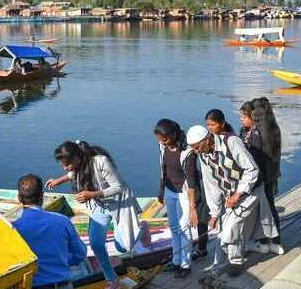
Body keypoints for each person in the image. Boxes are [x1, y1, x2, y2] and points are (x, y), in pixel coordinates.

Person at [46, 141, 143, 289]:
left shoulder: (100, 161)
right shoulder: (79, 164)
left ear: (77, 158)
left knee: (123, 247)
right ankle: (112, 280)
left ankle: (142, 229)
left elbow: (118, 187)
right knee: (96, 244)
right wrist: (58, 180)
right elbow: (73, 172)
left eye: (67, 164)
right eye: (63, 165)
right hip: (100, 206)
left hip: (118, 204)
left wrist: (91, 194)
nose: (65, 168)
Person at [186, 125, 278, 278]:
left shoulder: (231, 142)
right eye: (193, 148)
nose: (196, 151)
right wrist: (214, 214)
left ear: (207, 139)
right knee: (225, 229)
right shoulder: (203, 156)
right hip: (230, 196)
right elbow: (211, 185)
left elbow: (252, 170)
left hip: (250, 191)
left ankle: (234, 261)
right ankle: (230, 261)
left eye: (197, 147)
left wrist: (238, 194)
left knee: (232, 226)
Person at [13, 174, 87, 289]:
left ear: (19, 198)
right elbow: (80, 254)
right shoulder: (62, 221)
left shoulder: (14, 229)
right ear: (42, 196)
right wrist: (61, 261)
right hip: (63, 284)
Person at [153, 119, 207, 278]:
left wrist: (192, 208)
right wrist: (161, 190)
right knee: (174, 227)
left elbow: (191, 182)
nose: (162, 142)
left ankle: (185, 265)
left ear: (174, 134)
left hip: (184, 194)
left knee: (184, 229)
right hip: (170, 191)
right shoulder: (163, 147)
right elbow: (163, 169)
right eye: (159, 139)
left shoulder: (187, 153)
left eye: (164, 139)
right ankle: (176, 260)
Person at [239, 98, 284, 255]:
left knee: (264, 210)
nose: (242, 119)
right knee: (270, 208)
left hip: (260, 179)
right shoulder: (272, 129)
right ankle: (275, 241)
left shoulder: (258, 134)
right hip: (269, 177)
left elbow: (256, 161)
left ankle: (265, 241)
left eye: (245, 116)